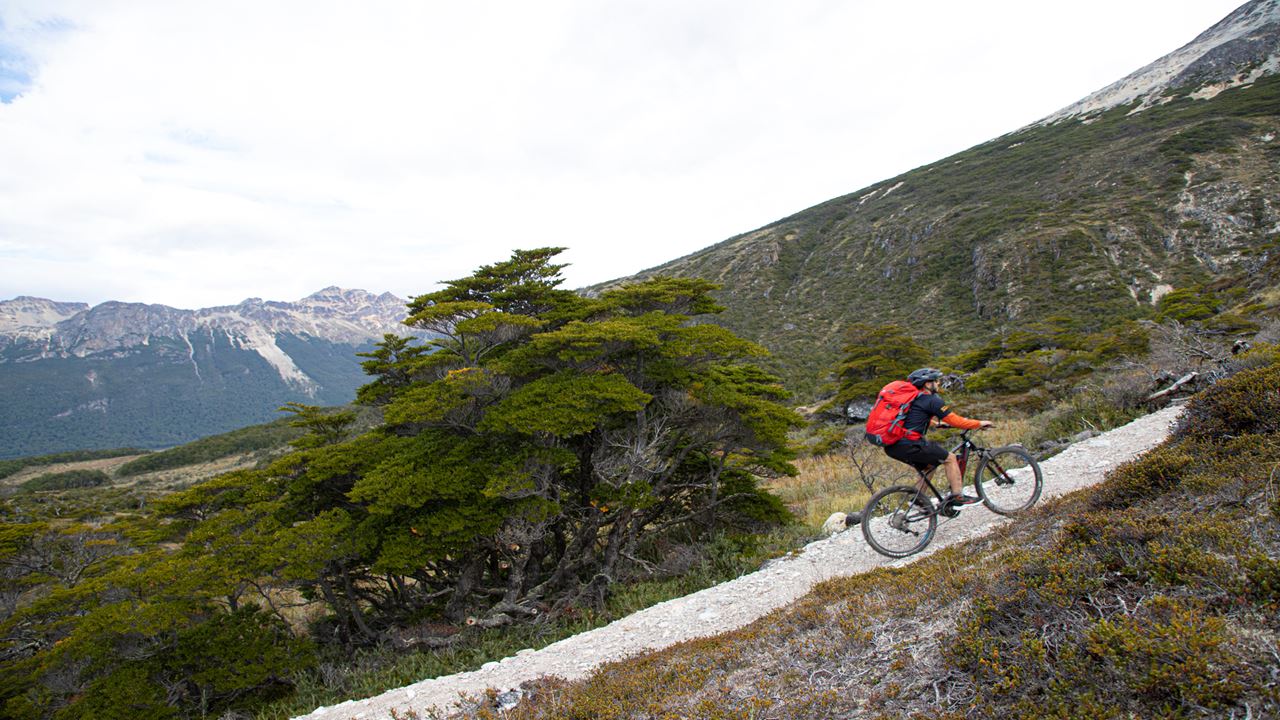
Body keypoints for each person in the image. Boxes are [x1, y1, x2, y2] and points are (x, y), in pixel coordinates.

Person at [883, 367, 993, 508]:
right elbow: (956, 421)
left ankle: (917, 499)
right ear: (928, 384)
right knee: (950, 458)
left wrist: (937, 424)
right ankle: (958, 497)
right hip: (910, 444)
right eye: (936, 381)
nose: (939, 383)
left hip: (893, 446)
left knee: (930, 464)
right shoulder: (932, 400)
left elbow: (912, 418)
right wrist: (979, 423)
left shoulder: (911, 399)